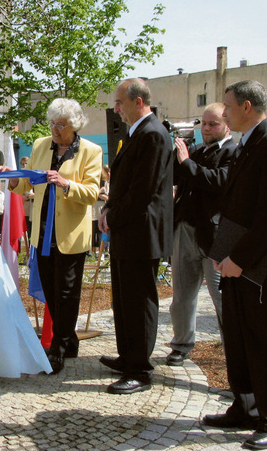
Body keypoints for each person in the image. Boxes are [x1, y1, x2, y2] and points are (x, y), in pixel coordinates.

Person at [202, 80, 267, 450]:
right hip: (236, 261)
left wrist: (240, 260)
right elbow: (238, 206)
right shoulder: (247, 144)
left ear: (246, 106)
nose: (222, 113)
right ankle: (244, 406)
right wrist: (222, 251)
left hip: (261, 265)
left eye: (227, 107)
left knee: (265, 341)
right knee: (239, 339)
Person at [0, 98, 102, 374]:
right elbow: (25, 185)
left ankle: (57, 347)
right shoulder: (41, 145)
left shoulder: (91, 151)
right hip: (42, 232)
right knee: (52, 292)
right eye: (53, 124)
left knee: (67, 294)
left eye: (62, 125)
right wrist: (12, 177)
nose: (56, 130)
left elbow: (92, 193)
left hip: (70, 235)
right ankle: (69, 341)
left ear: (75, 126)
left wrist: (66, 183)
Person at [98, 78, 173, 394]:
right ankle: (128, 355)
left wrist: (112, 215)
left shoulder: (153, 134)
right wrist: (108, 211)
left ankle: (140, 370)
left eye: (120, 102)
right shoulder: (137, 131)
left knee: (139, 301)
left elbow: (143, 190)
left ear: (138, 101)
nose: (116, 109)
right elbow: (123, 183)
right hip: (128, 231)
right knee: (124, 299)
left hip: (142, 232)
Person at [166, 103, 236, 366]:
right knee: (182, 294)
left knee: (222, 300)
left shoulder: (233, 152)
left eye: (212, 124)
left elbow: (217, 182)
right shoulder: (194, 151)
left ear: (226, 125)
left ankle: (234, 355)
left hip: (216, 235)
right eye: (203, 124)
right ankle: (181, 344)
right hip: (185, 229)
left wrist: (186, 163)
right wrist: (175, 154)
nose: (206, 129)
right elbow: (173, 176)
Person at [20, 156, 34, 238]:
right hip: (25, 209)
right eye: (23, 164)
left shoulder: (33, 175)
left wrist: (32, 196)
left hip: (34, 208)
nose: (24, 166)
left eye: (26, 163)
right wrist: (28, 197)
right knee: (28, 230)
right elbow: (20, 196)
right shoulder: (21, 177)